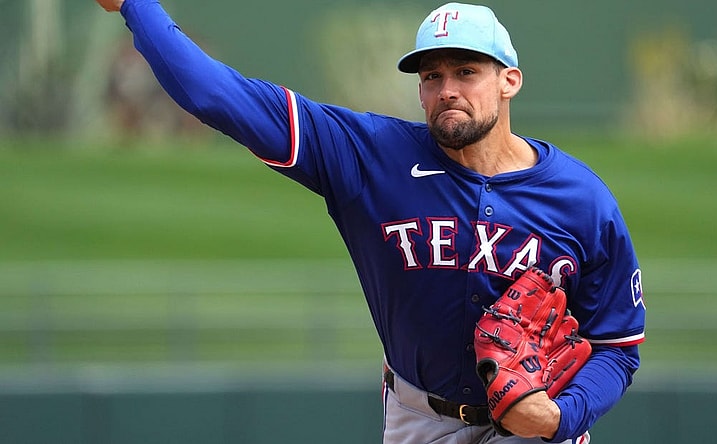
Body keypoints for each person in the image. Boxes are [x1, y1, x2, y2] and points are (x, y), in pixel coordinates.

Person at [94, 1, 646, 443]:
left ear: (510, 81)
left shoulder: (581, 200)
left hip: (536, 427)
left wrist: (559, 418)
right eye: (432, 75)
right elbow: (214, 94)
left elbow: (618, 345)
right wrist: (133, 5)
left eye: (467, 71)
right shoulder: (369, 155)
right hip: (418, 420)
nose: (447, 89)